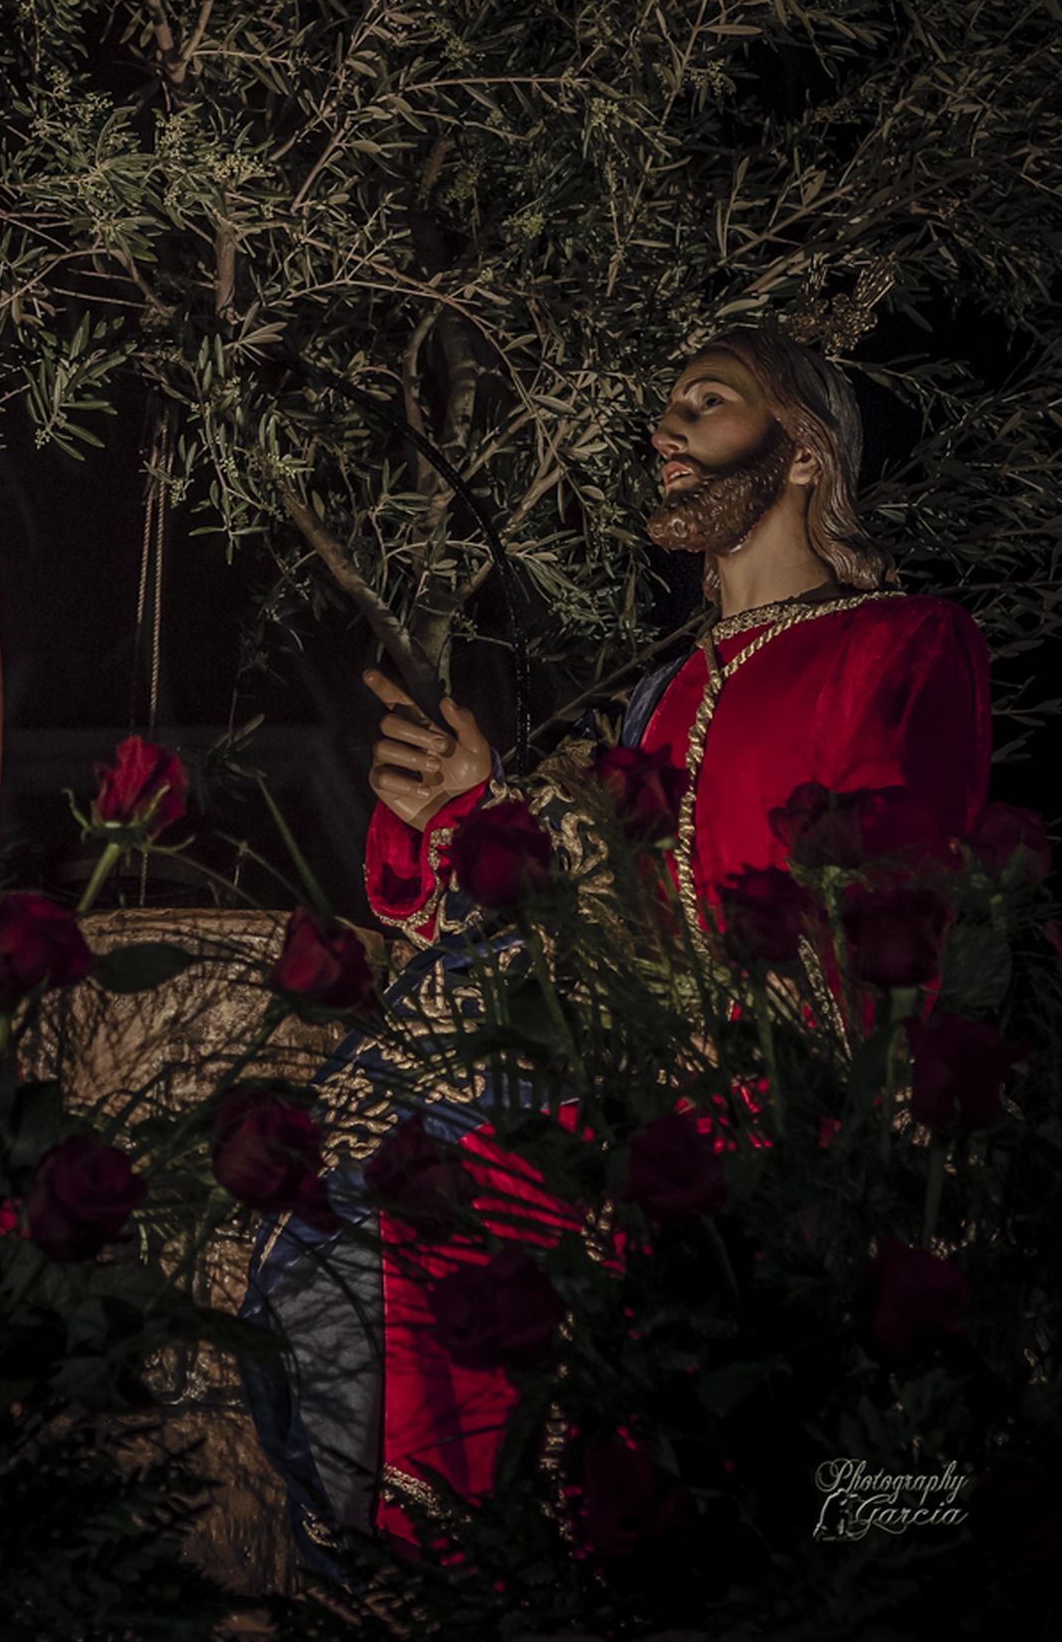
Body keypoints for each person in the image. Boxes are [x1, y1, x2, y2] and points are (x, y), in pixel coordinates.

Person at [243, 321, 990, 1573]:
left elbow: (905, 905)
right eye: (667, 402)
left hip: (779, 1130)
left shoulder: (899, 643)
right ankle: (432, 1566)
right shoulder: (662, 695)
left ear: (801, 451)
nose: (664, 427)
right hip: (623, 1113)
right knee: (365, 1211)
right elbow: (546, 905)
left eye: (707, 399)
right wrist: (461, 810)